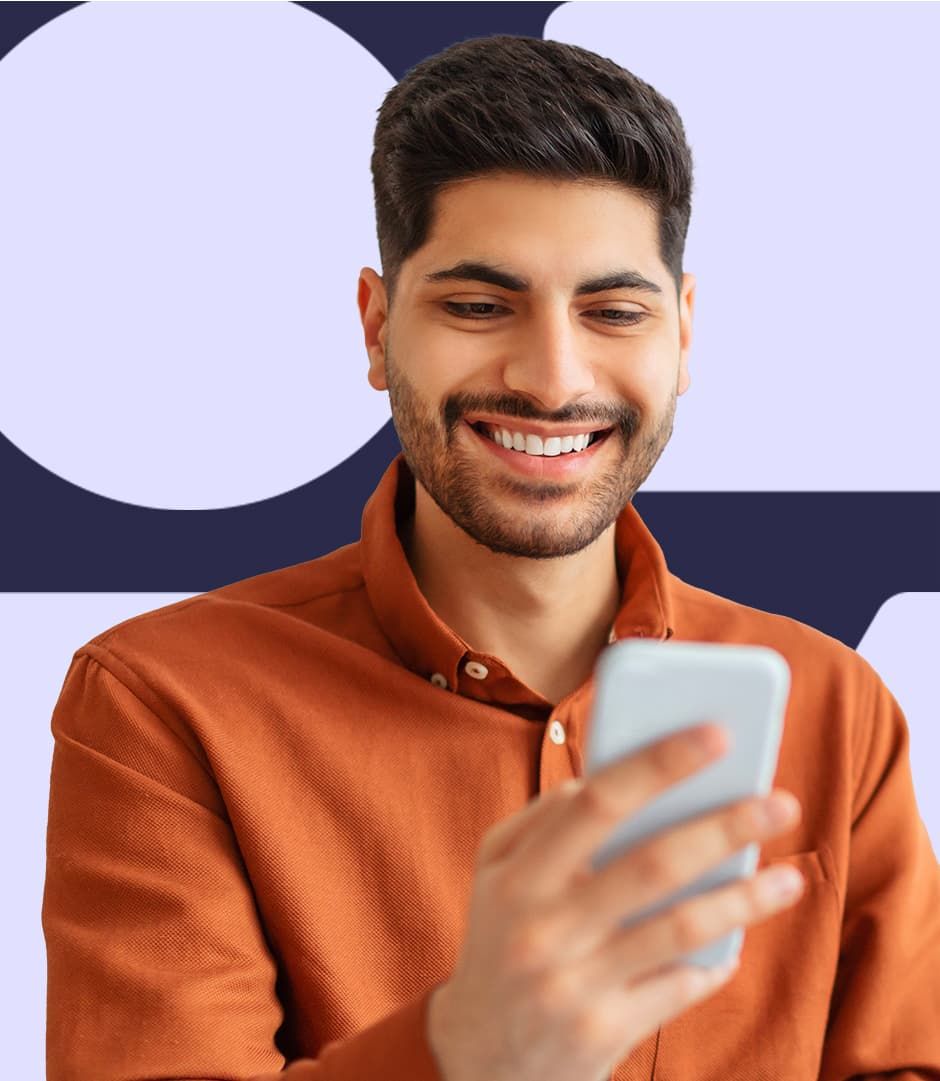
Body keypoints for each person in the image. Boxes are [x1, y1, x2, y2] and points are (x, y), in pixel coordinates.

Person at [42, 33, 940, 1081]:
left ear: (683, 334)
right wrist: (467, 1044)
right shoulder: (161, 702)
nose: (552, 380)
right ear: (377, 327)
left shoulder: (834, 704)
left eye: (614, 312)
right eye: (477, 306)